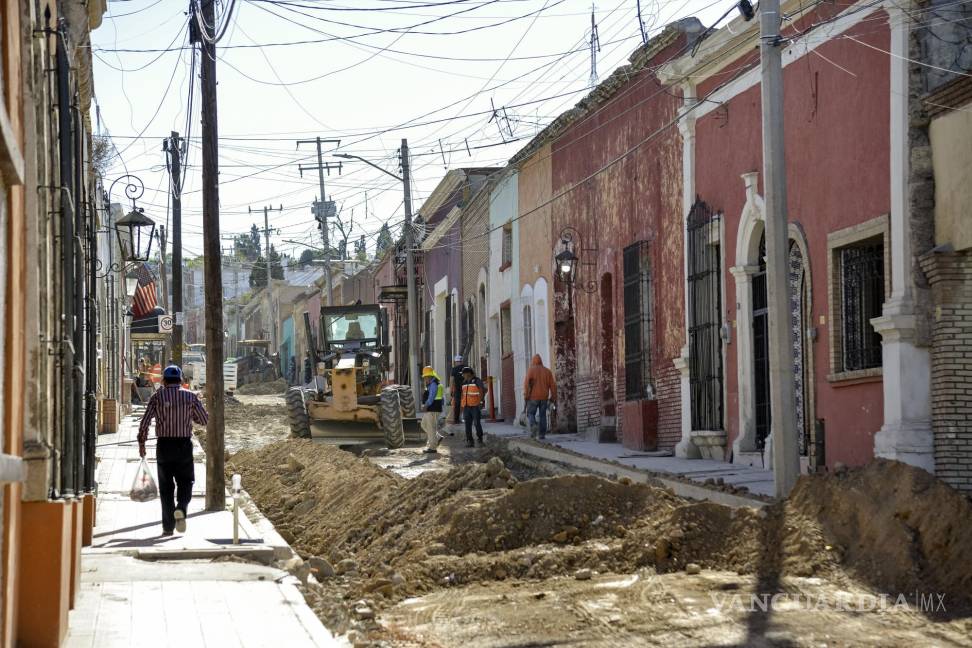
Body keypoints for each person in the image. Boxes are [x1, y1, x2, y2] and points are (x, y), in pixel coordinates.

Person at [137, 365, 208, 536]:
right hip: (183, 446)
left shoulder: (157, 397)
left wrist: (142, 444)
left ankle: (168, 527)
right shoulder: (191, 397)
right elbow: (204, 420)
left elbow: (145, 422)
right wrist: (191, 416)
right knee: (186, 482)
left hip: (164, 446)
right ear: (181, 380)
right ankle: (182, 508)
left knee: (166, 487)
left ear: (164, 380)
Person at [523, 354, 557, 440]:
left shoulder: (531, 371)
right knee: (543, 416)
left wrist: (526, 396)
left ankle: (533, 425)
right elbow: (553, 386)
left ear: (533, 361)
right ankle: (542, 434)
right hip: (544, 398)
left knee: (531, 413)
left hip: (533, 398)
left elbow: (527, 384)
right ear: (541, 361)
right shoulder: (547, 372)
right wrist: (553, 397)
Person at [459, 366, 486, 448]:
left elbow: (482, 391)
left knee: (477, 423)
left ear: (468, 373)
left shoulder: (477, 381)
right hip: (466, 406)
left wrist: (481, 402)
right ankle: (470, 441)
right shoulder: (464, 382)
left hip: (475, 406)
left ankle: (480, 439)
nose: (462, 375)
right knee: (467, 424)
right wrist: (462, 405)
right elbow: (463, 395)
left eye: (463, 374)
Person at [420, 366, 444, 454]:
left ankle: (432, 447)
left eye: (425, 377)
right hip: (431, 409)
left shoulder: (433, 384)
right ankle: (437, 437)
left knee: (430, 427)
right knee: (424, 425)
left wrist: (425, 405)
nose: (425, 379)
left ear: (429, 376)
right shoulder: (431, 384)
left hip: (433, 409)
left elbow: (431, 397)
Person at [449, 354, 465, 425]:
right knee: (466, 403)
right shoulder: (466, 368)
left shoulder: (454, 369)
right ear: (461, 361)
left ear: (456, 362)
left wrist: (451, 390)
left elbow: (451, 380)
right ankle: (466, 418)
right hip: (466, 388)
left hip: (458, 389)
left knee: (457, 404)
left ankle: (457, 420)